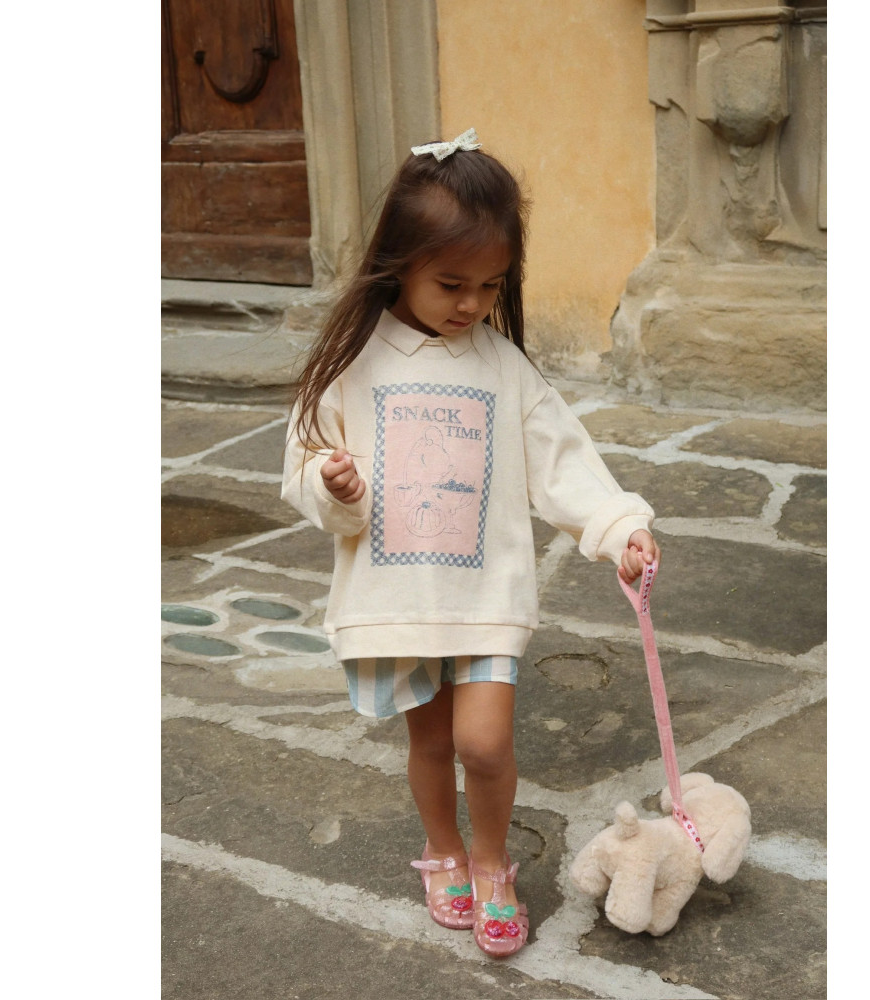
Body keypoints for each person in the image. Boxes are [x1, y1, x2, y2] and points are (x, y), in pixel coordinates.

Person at [281, 128, 658, 958]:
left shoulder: (503, 368)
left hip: (484, 593)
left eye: (490, 286)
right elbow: (302, 464)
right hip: (397, 597)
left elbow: (563, 461)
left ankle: (490, 862)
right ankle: (443, 850)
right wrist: (333, 488)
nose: (471, 304)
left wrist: (619, 527)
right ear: (398, 263)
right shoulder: (351, 363)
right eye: (451, 284)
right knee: (428, 740)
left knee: (483, 743)